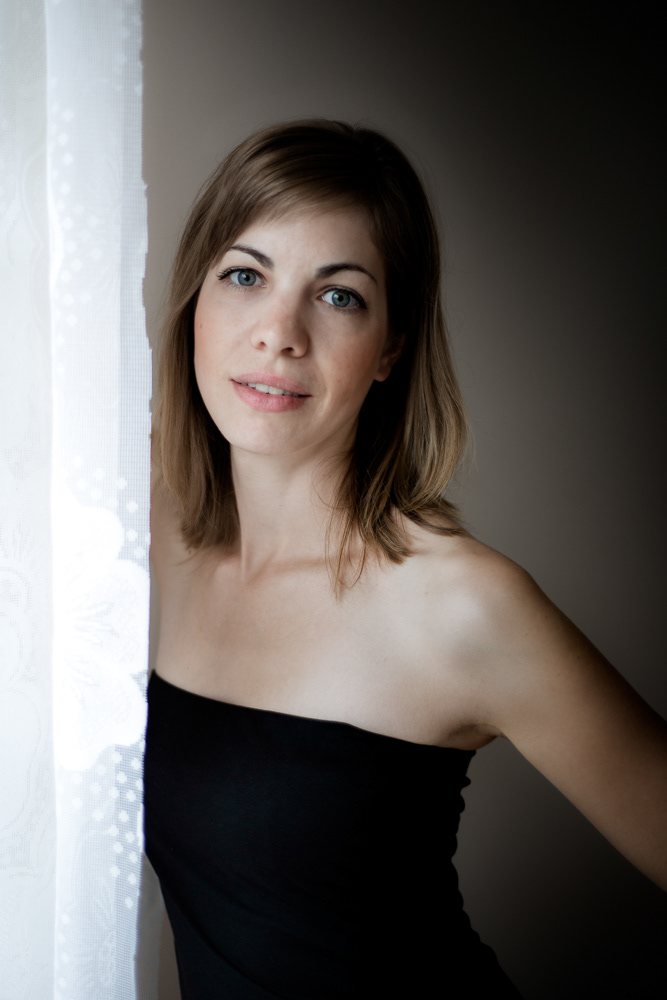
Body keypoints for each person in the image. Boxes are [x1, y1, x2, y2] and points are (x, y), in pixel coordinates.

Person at [144, 119, 667, 1000]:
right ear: (195, 299)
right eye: (244, 276)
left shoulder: (457, 601)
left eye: (337, 295)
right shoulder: (153, 537)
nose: (279, 333)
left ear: (390, 346)